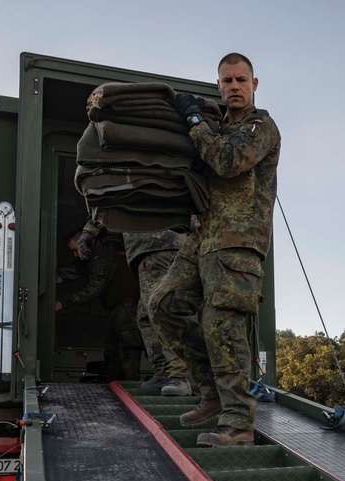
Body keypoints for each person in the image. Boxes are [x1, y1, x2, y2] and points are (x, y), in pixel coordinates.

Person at [151, 52, 280, 447]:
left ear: (254, 84)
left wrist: (193, 122)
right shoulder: (218, 126)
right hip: (203, 238)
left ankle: (238, 425)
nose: (234, 87)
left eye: (241, 80)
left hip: (237, 244)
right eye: (227, 81)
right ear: (219, 85)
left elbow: (228, 161)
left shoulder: (261, 126)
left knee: (223, 327)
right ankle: (209, 394)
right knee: (164, 304)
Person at [57, 227, 143, 381]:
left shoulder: (100, 257)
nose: (75, 255)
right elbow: (74, 271)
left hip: (127, 306)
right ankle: (117, 383)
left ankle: (131, 385)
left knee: (128, 345)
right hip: (118, 308)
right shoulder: (90, 260)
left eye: (76, 250)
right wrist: (55, 273)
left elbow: (94, 288)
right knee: (112, 348)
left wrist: (65, 302)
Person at [123, 229, 191, 396]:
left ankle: (177, 375)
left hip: (156, 244)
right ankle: (163, 373)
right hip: (154, 246)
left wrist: (90, 231)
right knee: (145, 317)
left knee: (160, 311)